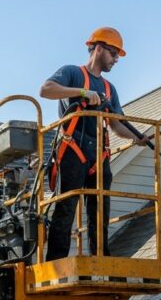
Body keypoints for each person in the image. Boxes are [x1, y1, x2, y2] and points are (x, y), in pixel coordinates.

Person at [40, 26, 150, 261]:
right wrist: (83, 92)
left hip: (98, 153)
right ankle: (56, 261)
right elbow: (46, 90)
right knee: (66, 207)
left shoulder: (110, 89)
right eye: (113, 54)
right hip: (72, 149)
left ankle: (101, 257)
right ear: (98, 48)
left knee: (100, 208)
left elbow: (117, 124)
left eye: (118, 57)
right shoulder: (73, 73)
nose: (115, 60)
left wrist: (136, 138)